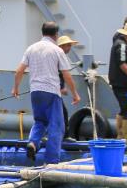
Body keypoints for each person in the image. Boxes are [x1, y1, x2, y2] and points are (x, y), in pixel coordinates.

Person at [12, 22, 81, 165]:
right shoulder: (57, 50)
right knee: (57, 126)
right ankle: (51, 161)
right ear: (56, 35)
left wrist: (16, 88)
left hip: (35, 92)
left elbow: (19, 71)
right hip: (51, 92)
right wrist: (75, 93)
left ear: (42, 33)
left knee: (40, 121)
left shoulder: (31, 48)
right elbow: (67, 75)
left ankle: (33, 143)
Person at [56, 35, 79, 141]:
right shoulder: (59, 57)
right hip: (53, 90)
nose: (70, 48)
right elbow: (62, 75)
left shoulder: (58, 56)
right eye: (68, 45)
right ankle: (63, 136)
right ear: (62, 46)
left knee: (60, 112)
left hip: (54, 90)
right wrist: (60, 88)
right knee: (62, 112)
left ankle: (61, 135)